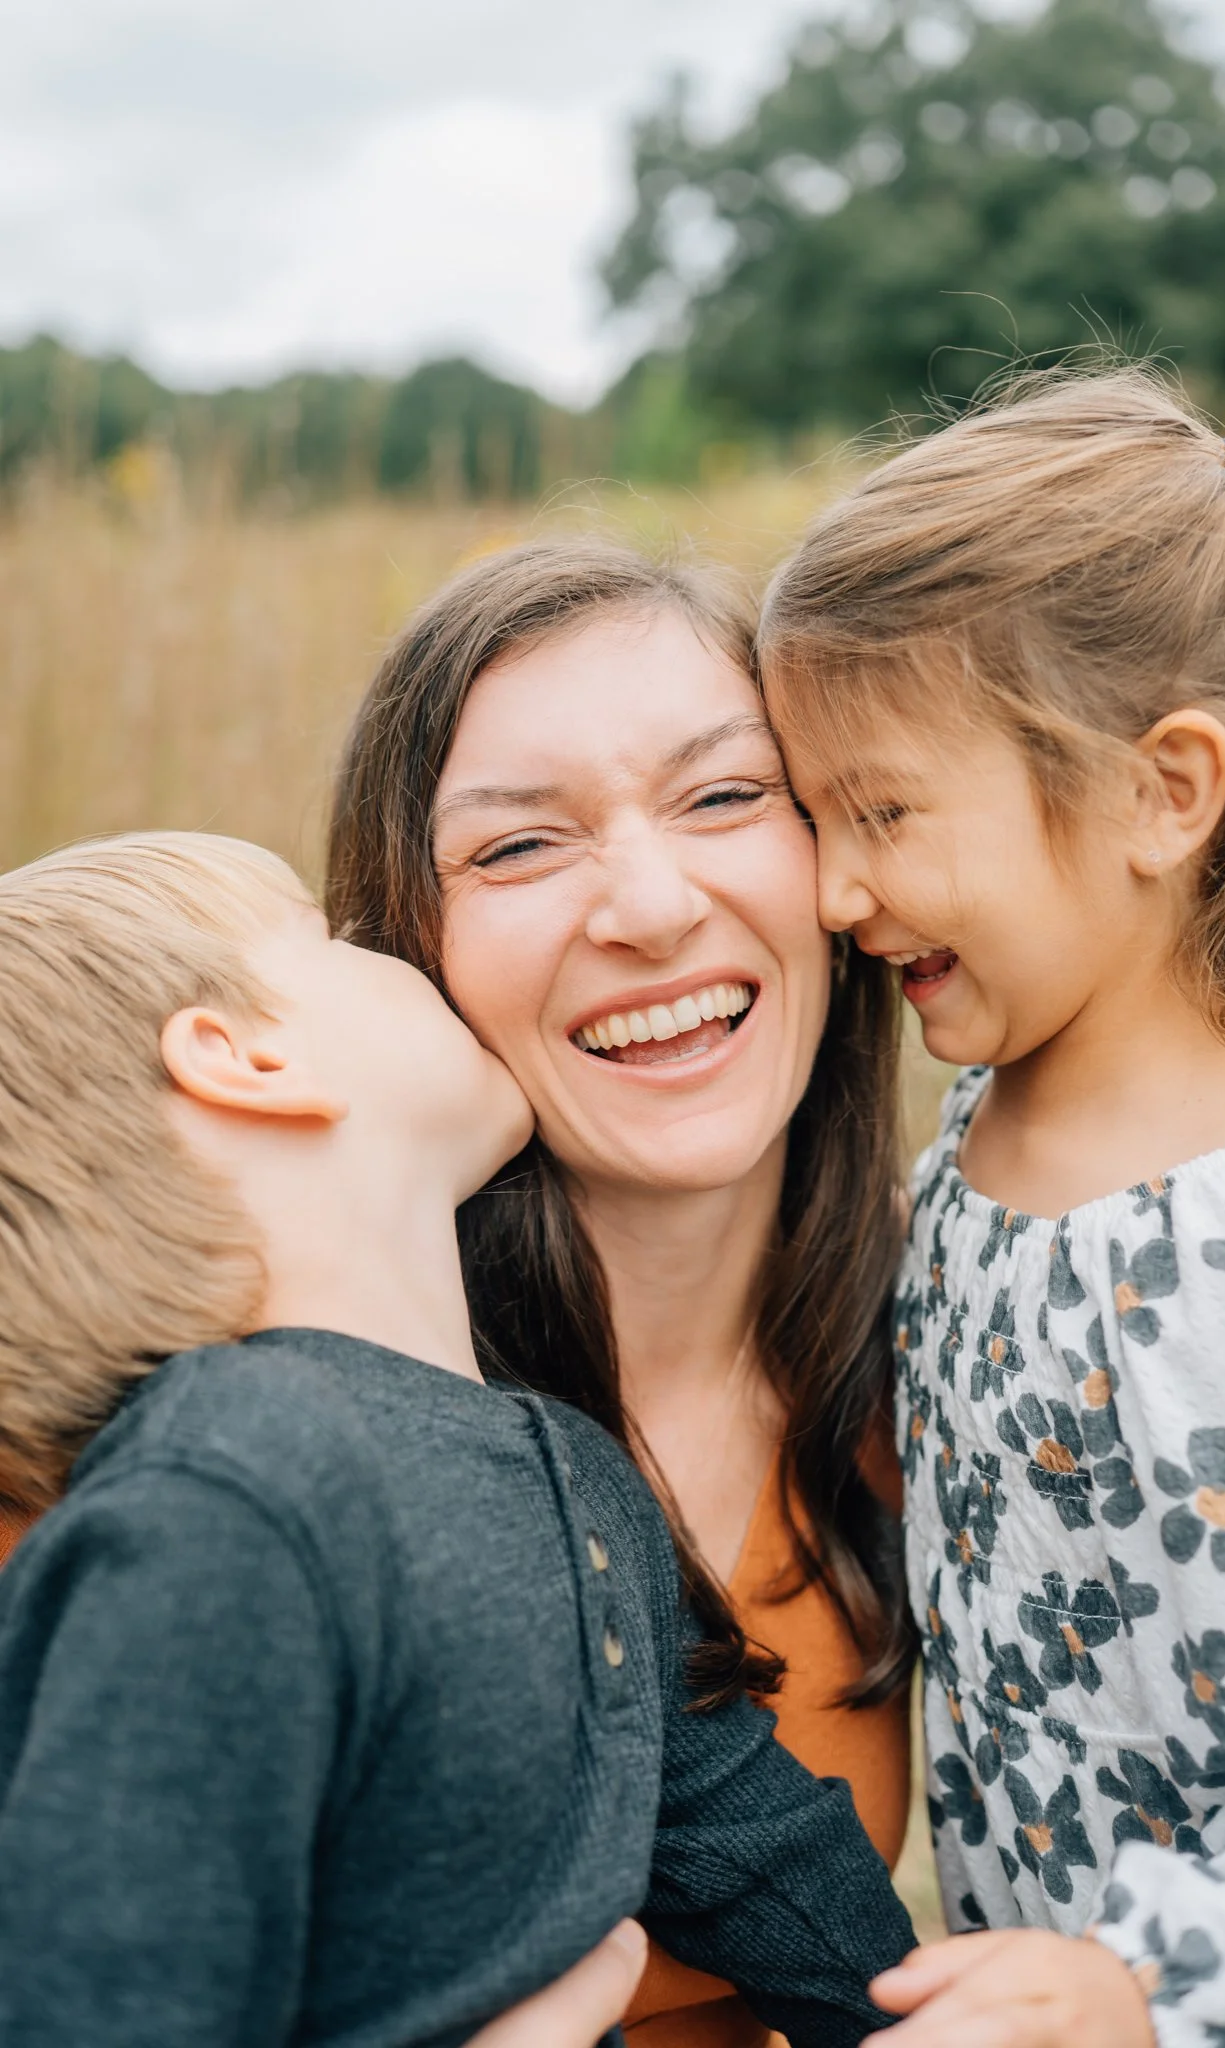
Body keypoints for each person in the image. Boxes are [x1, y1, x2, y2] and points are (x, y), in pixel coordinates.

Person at [0, 831, 921, 2045]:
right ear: (245, 1059)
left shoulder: (568, 1469)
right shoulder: (227, 1493)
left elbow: (745, 1837)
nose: (402, 964)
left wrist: (921, 2007)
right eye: (331, 945)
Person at [757, 369, 1225, 2048]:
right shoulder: (982, 1127)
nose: (830, 889)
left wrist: (1146, 1990)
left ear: (1165, 792)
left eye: (884, 810)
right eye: (816, 814)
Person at [327, 542, 917, 2047]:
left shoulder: (955, 1352)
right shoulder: (254, 1441)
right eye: (519, 848)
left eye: (724, 797)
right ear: (404, 947)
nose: (650, 908)